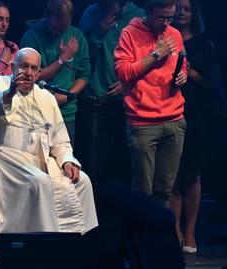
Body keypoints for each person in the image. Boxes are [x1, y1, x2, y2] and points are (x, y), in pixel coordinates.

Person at [0, 48, 98, 236]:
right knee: (40, 182)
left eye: (33, 68)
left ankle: (77, 247)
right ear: (13, 67)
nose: (28, 73)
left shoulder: (46, 96)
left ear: (38, 73)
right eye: (24, 66)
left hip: (40, 160)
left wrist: (67, 160)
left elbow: (59, 139)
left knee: (83, 181)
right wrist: (9, 93)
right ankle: (40, 247)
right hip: (2, 157)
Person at [114, 0, 188, 207]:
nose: (166, 23)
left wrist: (183, 75)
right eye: (161, 18)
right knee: (142, 193)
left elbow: (182, 64)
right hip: (143, 123)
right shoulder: (130, 33)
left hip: (174, 120)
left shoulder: (175, 34)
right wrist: (156, 54)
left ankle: (159, 239)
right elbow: (123, 73)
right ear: (148, 11)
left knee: (165, 191)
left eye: (170, 18)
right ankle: (140, 238)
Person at [171, 0, 223, 254]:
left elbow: (214, 84)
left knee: (192, 174)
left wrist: (191, 73)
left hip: (196, 116)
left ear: (194, 14)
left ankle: (190, 231)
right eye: (177, 8)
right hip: (167, 113)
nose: (181, 12)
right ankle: (175, 231)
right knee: (172, 176)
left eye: (187, 9)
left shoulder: (202, 44)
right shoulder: (165, 41)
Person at [76, 0, 144, 190]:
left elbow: (147, 59)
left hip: (129, 101)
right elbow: (81, 58)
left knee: (125, 160)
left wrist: (128, 83)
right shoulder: (91, 13)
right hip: (95, 99)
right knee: (95, 162)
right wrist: (97, 34)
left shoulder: (137, 15)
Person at [20, 0, 90, 145]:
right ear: (47, 16)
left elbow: (84, 75)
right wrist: (62, 59)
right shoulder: (31, 37)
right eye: (56, 28)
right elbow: (32, 75)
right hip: (35, 112)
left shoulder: (77, 36)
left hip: (66, 114)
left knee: (65, 161)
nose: (59, 32)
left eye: (64, 27)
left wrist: (68, 95)